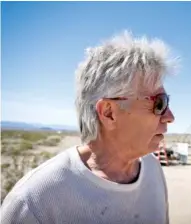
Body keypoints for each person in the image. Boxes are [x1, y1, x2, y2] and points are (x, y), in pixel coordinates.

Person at [1, 30, 179, 224]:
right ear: (109, 113)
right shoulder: (35, 203)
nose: (170, 117)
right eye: (159, 103)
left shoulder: (153, 169)